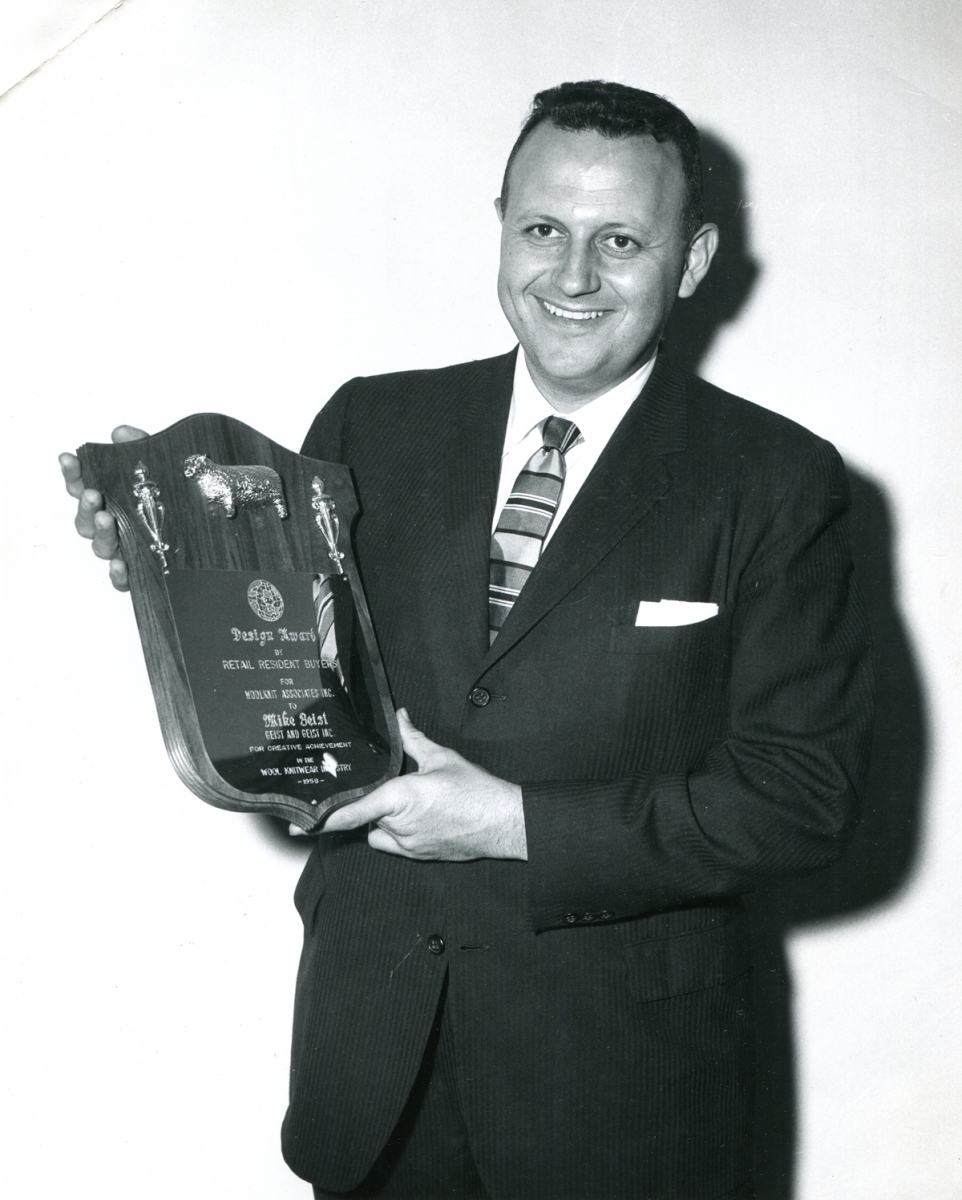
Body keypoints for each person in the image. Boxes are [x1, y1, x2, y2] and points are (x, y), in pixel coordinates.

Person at [61, 81, 875, 1200]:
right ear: (500, 224)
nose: (571, 275)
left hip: (622, 1104)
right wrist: (173, 563)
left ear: (689, 260)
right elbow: (299, 704)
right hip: (374, 1077)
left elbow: (798, 798)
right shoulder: (368, 427)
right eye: (542, 228)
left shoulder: (774, 483)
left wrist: (510, 825)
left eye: (620, 240)